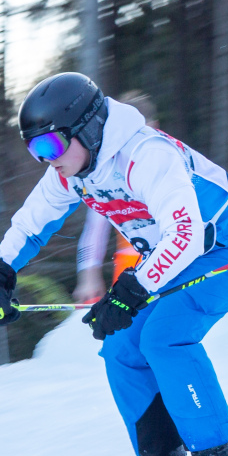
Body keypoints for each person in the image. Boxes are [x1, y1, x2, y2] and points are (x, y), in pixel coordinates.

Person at [0, 73, 228, 456]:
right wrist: (0, 271)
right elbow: (32, 222)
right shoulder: (74, 169)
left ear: (87, 127)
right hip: (171, 259)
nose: (46, 159)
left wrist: (132, 289)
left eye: (50, 145)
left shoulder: (146, 155)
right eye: (35, 150)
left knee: (165, 338)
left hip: (224, 250)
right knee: (121, 348)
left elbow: (186, 233)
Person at [75, 91, 161, 304]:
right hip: (133, 267)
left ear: (154, 127)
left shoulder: (170, 159)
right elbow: (95, 228)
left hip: (175, 259)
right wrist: (88, 276)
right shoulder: (108, 171)